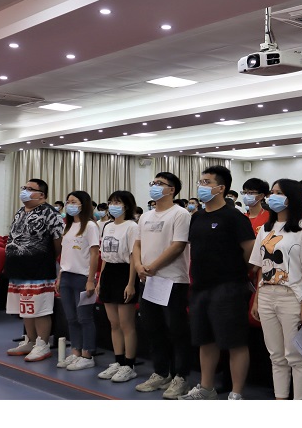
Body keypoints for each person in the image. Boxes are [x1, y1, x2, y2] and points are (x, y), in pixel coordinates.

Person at [181, 165, 255, 400]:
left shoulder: (235, 217)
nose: (201, 186)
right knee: (205, 340)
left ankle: (236, 393)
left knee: (235, 342)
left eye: (207, 182)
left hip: (229, 287)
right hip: (200, 286)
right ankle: (206, 388)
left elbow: (250, 252)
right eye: (200, 182)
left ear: (221, 188)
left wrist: (237, 271)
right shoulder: (197, 217)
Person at [249, 178, 302, 399]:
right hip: (266, 294)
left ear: (291, 198)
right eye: (272, 192)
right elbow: (261, 266)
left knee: (297, 356)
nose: (273, 197)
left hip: (291, 296)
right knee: (276, 356)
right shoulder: (265, 229)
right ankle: (280, 399)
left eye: (278, 193)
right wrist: (257, 299)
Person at [133, 172, 192, 399]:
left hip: (172, 280)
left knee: (176, 330)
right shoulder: (145, 216)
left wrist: (153, 266)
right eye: (153, 183)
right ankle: (161, 372)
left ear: (172, 190)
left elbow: (178, 245)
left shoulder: (180, 213)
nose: (155, 186)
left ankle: (181, 376)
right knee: (153, 328)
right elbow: (137, 244)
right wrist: (139, 266)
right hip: (148, 280)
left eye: (160, 184)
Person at [5, 179, 64, 362]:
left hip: (39, 268)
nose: (25, 191)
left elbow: (58, 241)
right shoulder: (20, 211)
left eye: (30, 189)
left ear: (42, 195)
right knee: (25, 307)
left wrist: (47, 257)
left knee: (40, 308)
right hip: (18, 268)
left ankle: (42, 343)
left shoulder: (50, 213)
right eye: (24, 188)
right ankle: (30, 340)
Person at [96, 191, 140, 383]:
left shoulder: (132, 227)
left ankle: (129, 365)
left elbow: (133, 256)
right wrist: (100, 280)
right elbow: (104, 256)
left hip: (125, 273)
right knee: (113, 323)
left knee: (126, 324)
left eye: (117, 202)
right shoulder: (107, 226)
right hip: (109, 273)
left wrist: (131, 283)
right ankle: (118, 360)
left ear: (127, 206)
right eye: (111, 202)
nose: (113, 205)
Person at [56, 190, 100, 371]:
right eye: (68, 202)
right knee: (71, 318)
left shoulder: (90, 226)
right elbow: (65, 254)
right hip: (66, 276)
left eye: (74, 201)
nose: (69, 205)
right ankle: (75, 352)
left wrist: (91, 280)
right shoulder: (67, 226)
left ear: (84, 204)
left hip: (83, 278)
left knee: (84, 318)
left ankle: (87, 355)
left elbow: (95, 254)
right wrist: (60, 276)